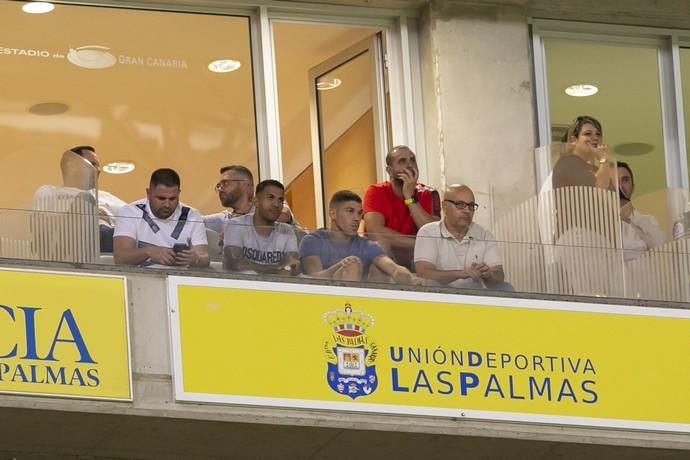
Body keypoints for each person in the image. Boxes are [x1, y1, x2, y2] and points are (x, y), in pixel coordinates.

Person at [300, 190, 422, 285]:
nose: (357, 219)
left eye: (359, 213)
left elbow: (393, 269)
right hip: (319, 303)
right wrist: (341, 265)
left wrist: (411, 279)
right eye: (350, 211)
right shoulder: (313, 241)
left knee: (379, 270)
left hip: (357, 306)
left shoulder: (366, 245)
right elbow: (314, 279)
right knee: (352, 265)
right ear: (333, 213)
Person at [33, 145, 127, 252]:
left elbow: (134, 214)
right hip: (69, 244)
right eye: (93, 164)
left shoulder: (106, 196)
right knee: (85, 201)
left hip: (107, 241)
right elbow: (41, 229)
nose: (99, 170)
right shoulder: (50, 192)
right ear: (72, 166)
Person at [414, 185, 509, 290]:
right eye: (460, 205)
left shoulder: (484, 235)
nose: (467, 211)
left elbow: (499, 275)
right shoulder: (428, 232)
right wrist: (462, 274)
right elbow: (424, 273)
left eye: (471, 206)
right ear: (444, 206)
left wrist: (489, 274)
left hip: (477, 297)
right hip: (440, 296)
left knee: (506, 288)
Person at [113, 168, 209, 268]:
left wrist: (196, 259)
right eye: (161, 198)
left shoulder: (192, 216)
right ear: (148, 193)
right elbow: (121, 258)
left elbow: (205, 259)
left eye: (172, 199)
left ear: (179, 193)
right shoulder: (129, 212)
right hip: (141, 279)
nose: (167, 204)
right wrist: (148, 251)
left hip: (180, 280)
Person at [363, 145, 440, 268]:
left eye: (412, 160)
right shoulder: (376, 191)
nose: (410, 165)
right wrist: (418, 244)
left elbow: (433, 234)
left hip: (416, 261)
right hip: (385, 261)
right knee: (381, 245)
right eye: (402, 161)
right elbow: (376, 233)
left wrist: (409, 196)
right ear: (389, 170)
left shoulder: (428, 193)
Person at [224, 180, 300, 275]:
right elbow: (234, 263)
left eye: (280, 200)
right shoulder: (236, 225)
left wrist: (287, 267)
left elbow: (293, 265)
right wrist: (276, 269)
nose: (276, 204)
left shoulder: (287, 231)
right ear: (256, 202)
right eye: (270, 198)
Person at [618, 161, 665, 261]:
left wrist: (633, 218)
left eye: (625, 180)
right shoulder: (602, 224)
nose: (620, 186)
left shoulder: (648, 220)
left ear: (633, 186)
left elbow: (662, 249)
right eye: (615, 181)